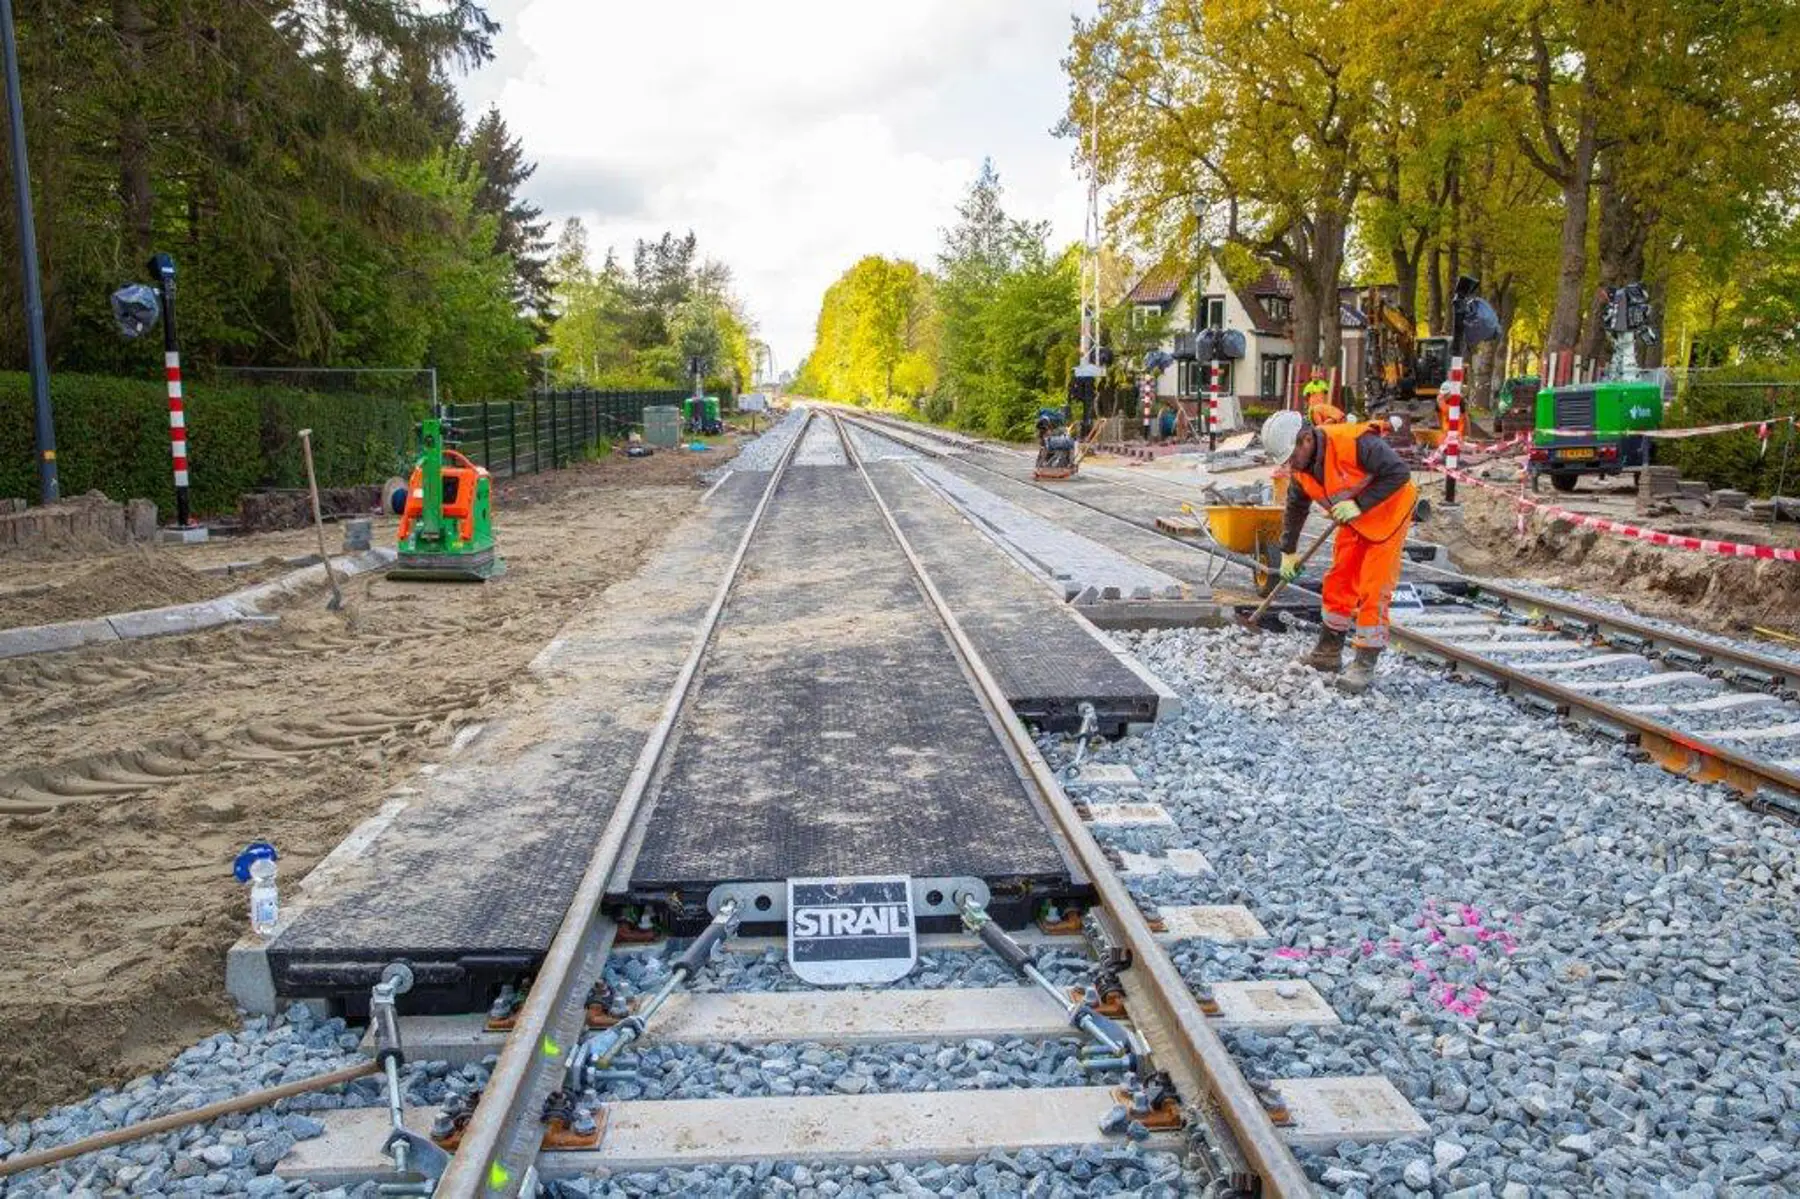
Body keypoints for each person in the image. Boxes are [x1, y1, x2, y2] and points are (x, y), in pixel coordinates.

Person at [1260, 409, 1417, 694]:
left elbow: (1399, 472)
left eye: (1292, 457)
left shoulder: (1355, 442)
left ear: (1306, 439)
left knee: (1373, 586)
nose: (1291, 465)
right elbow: (1296, 508)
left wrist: (1361, 503)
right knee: (1339, 579)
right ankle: (1328, 651)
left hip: (1387, 515)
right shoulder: (1301, 471)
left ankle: (1364, 662)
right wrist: (1288, 551)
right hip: (1354, 519)